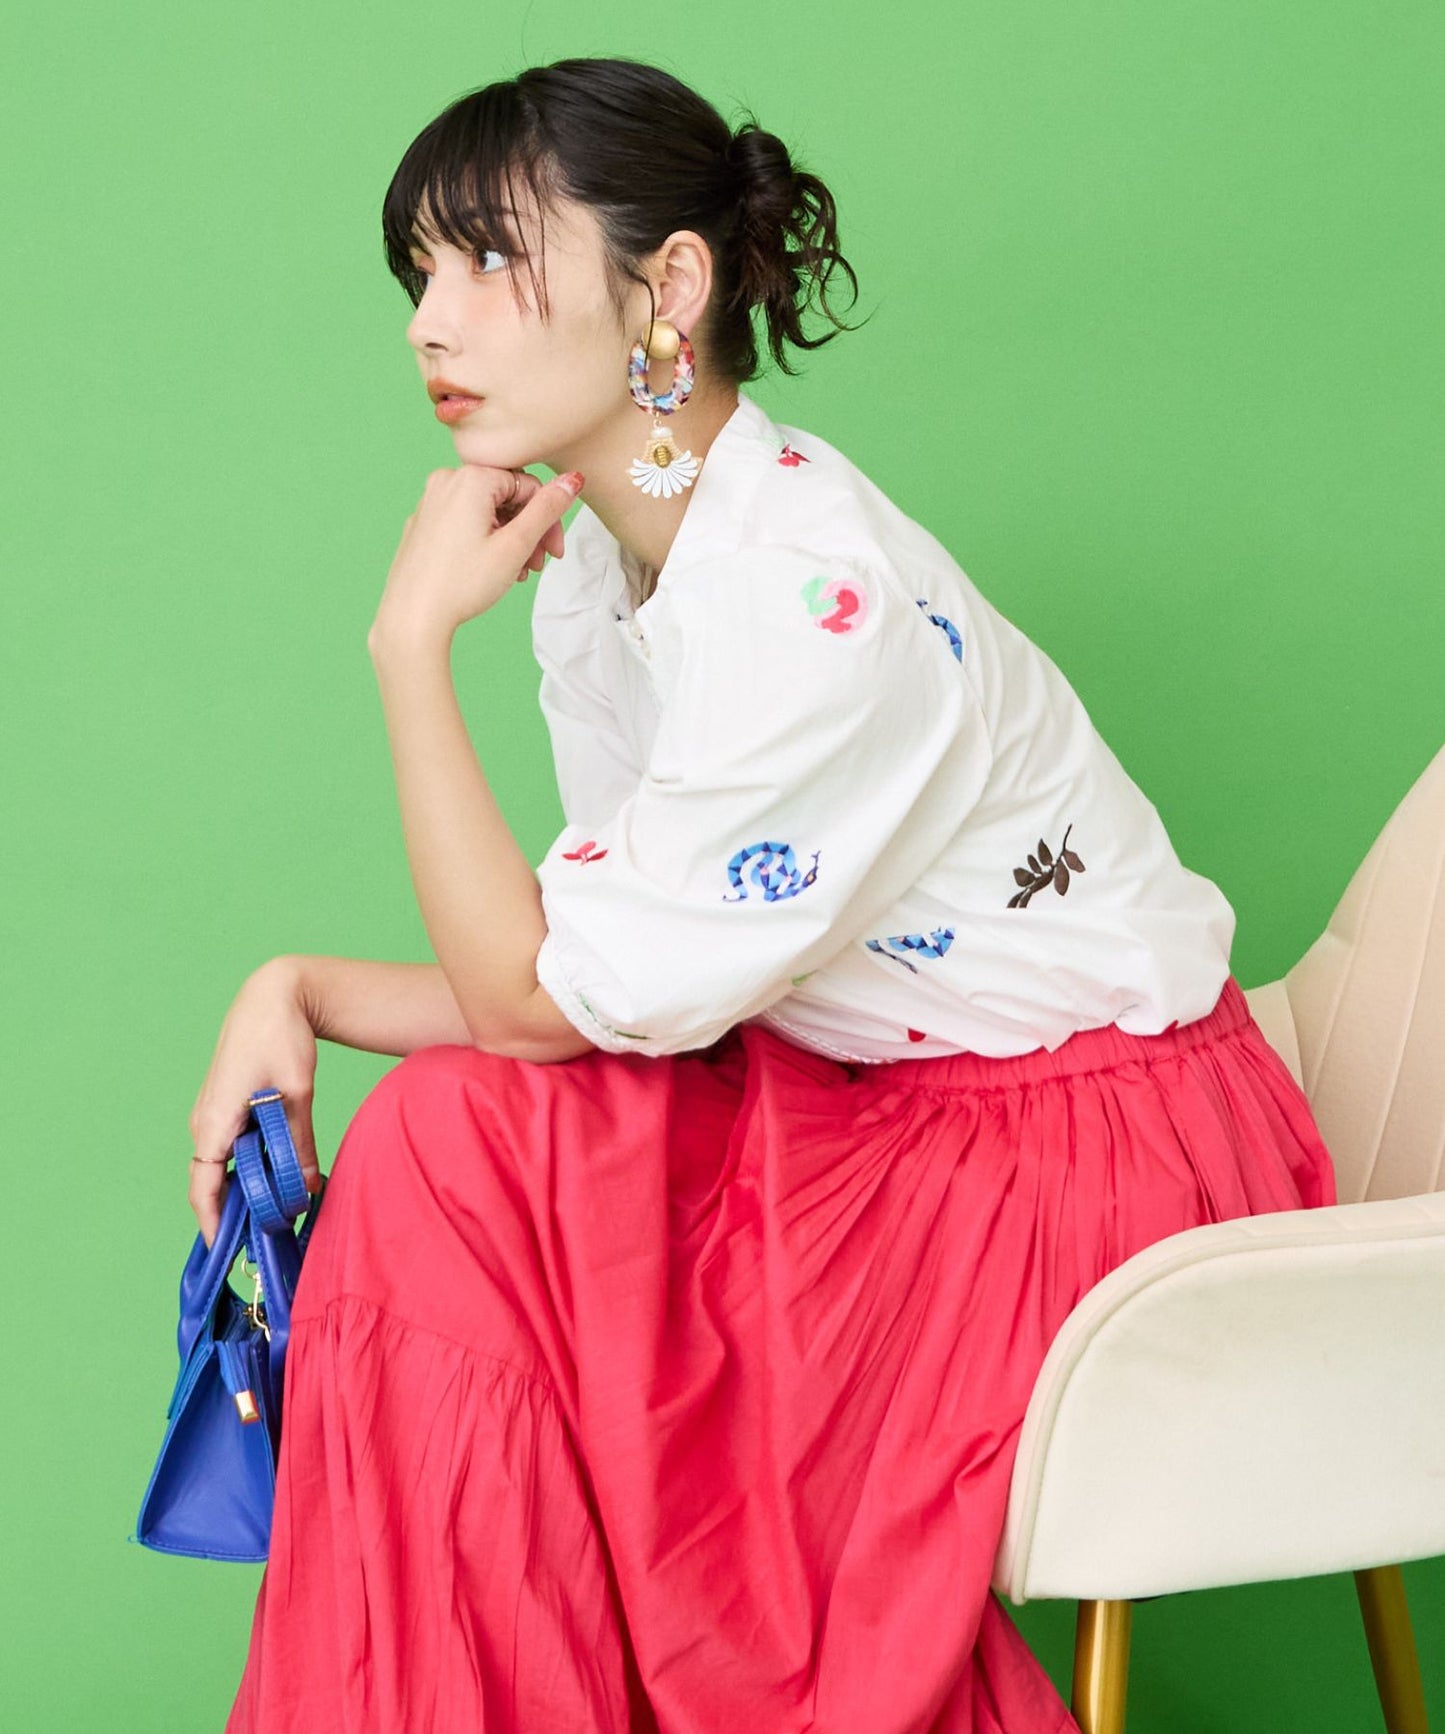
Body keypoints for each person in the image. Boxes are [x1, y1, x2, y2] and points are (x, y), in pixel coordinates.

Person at [193, 55, 1337, 1734]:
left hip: (1093, 1162)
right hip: (894, 1102)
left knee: (501, 1184)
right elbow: (611, 976)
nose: (430, 323)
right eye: (417, 272)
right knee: (446, 1139)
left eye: (488, 260)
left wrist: (406, 648)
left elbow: (540, 1001)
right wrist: (294, 987)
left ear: (667, 287)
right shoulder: (617, 564)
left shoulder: (806, 597)